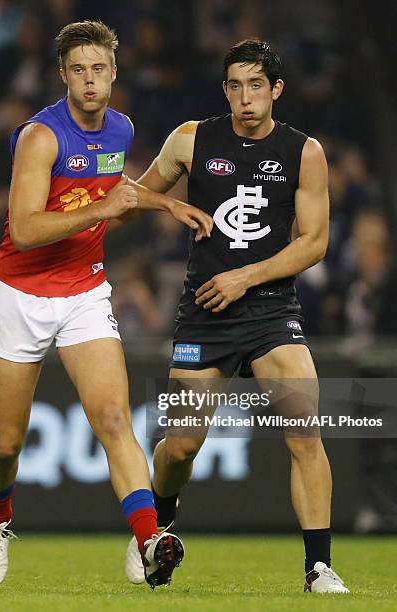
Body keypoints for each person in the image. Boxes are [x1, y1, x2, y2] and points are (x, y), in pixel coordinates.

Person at [0, 20, 213, 590]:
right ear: (63, 75)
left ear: (113, 73)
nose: (89, 81)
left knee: (113, 420)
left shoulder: (122, 129)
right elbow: (27, 229)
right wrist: (100, 213)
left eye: (99, 70)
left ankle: (149, 537)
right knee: (5, 445)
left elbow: (118, 191)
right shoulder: (41, 137)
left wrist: (164, 204)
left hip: (85, 292)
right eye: (78, 70)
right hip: (19, 295)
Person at [125, 39, 349, 594]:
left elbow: (315, 242)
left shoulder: (305, 152)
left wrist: (248, 276)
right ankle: (158, 530)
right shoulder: (190, 139)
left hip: (272, 312)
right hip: (204, 312)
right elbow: (130, 196)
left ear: (276, 90)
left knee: (305, 432)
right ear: (224, 89)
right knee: (180, 447)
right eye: (234, 85)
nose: (245, 98)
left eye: (256, 85)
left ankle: (318, 568)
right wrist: (167, 203)